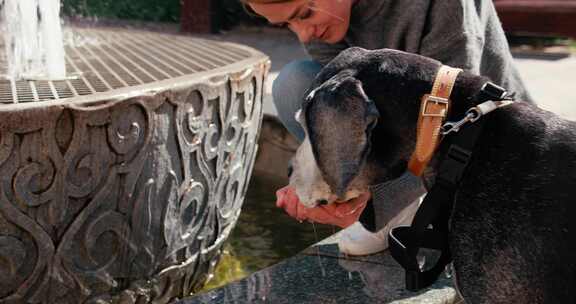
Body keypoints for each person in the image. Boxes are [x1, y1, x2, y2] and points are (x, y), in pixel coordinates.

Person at [244, 0, 534, 255]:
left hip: (482, 140)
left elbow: (452, 115)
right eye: (287, 24)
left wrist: (380, 202)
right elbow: (335, 112)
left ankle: (407, 206)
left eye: (305, 14)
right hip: (400, 135)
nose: (303, 33)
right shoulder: (325, 22)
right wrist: (324, 182)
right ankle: (396, 208)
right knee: (294, 84)